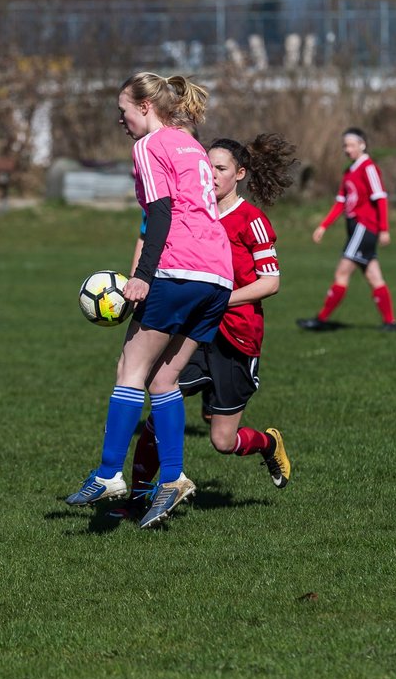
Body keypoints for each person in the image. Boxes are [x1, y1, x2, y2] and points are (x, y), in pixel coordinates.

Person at [64, 72, 232, 530]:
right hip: (218, 274)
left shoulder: (149, 145)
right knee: (164, 380)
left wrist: (141, 276)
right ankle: (173, 477)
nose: (121, 120)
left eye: (123, 111)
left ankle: (108, 475)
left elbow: (160, 213)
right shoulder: (190, 143)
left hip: (178, 268)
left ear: (144, 107)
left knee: (130, 371)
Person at [118, 134, 296, 517]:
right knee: (161, 400)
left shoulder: (252, 221)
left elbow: (271, 282)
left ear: (240, 174)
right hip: (196, 329)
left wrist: (216, 299)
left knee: (222, 439)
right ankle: (136, 497)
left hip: (236, 337)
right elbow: (149, 234)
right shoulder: (193, 213)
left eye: (221, 169)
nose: (212, 175)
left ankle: (267, 444)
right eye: (207, 167)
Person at [297, 127, 396, 332]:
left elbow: (380, 198)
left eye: (351, 145)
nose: (347, 149)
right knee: (374, 276)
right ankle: (390, 323)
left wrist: (384, 229)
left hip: (365, 228)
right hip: (355, 230)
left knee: (341, 273)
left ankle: (321, 320)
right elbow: (340, 203)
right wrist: (323, 226)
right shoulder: (349, 172)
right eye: (345, 145)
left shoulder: (368, 168)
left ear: (362, 145)